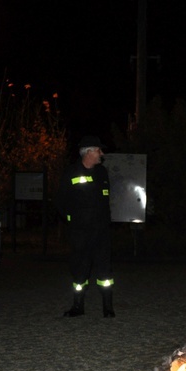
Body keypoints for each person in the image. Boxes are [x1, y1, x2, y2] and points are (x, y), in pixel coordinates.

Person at [55, 135, 115, 318]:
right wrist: (72, 220)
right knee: (79, 271)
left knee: (105, 273)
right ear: (88, 152)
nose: (102, 154)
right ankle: (77, 307)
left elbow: (106, 201)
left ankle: (108, 307)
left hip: (101, 233)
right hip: (80, 233)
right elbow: (59, 201)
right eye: (99, 150)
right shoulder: (71, 172)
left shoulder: (102, 172)